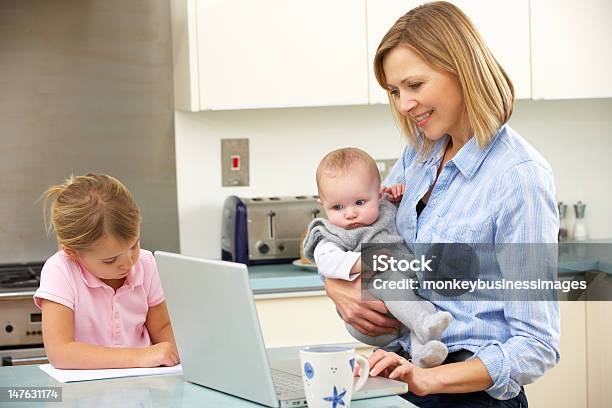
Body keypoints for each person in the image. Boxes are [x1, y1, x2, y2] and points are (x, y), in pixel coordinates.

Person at [322, 2, 560, 406]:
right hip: (400, 374)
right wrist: (336, 287)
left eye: (415, 86)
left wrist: (431, 380)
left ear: (461, 69)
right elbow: (361, 233)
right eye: (395, 92)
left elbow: (536, 345)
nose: (403, 105)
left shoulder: (519, 177)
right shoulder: (419, 155)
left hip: (468, 396)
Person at [303, 147, 453, 368]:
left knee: (428, 309)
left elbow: (410, 214)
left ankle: (424, 355)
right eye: (337, 207)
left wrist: (399, 196)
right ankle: (422, 324)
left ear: (379, 194)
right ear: (322, 206)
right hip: (370, 313)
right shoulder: (332, 233)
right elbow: (325, 260)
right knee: (392, 281)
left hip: (405, 305)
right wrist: (361, 262)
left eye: (360, 203)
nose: (350, 213)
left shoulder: (387, 209)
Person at [34, 173, 180, 369]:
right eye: (110, 260)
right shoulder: (60, 271)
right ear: (71, 252)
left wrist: (185, 351)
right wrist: (139, 357)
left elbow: (162, 327)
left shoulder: (146, 264)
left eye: (134, 246)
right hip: (83, 394)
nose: (128, 263)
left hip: (143, 390)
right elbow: (60, 352)